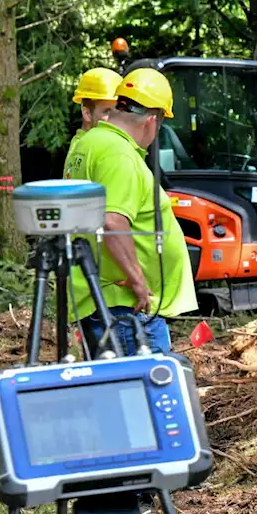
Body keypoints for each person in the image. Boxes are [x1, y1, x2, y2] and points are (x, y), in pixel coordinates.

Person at [64, 67, 197, 356]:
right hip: (125, 305)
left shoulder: (88, 144)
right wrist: (137, 280)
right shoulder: (118, 153)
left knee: (113, 391)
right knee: (147, 392)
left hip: (100, 296)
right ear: (152, 121)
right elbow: (112, 221)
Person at [67, 67, 123, 157]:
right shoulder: (97, 150)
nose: (117, 119)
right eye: (107, 111)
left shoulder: (80, 144)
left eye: (119, 110)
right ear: (87, 114)